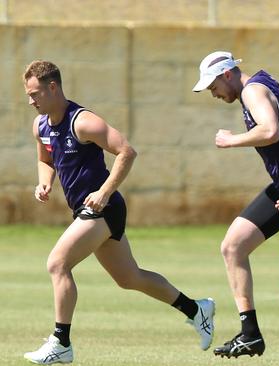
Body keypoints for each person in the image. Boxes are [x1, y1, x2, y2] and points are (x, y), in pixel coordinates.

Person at [22, 60, 215, 365]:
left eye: (35, 94)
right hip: (85, 210)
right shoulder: (41, 125)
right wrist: (44, 183)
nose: (31, 101)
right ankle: (197, 309)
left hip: (103, 207)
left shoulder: (83, 122)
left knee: (58, 264)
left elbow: (126, 151)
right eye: (28, 96)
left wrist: (104, 191)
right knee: (129, 278)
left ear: (53, 87)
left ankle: (61, 343)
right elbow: (46, 158)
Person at [192, 51, 279, 358]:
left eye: (213, 86)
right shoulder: (257, 87)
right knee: (233, 246)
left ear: (227, 74)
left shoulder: (253, 90)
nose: (213, 94)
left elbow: (270, 131)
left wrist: (231, 140)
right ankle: (250, 333)